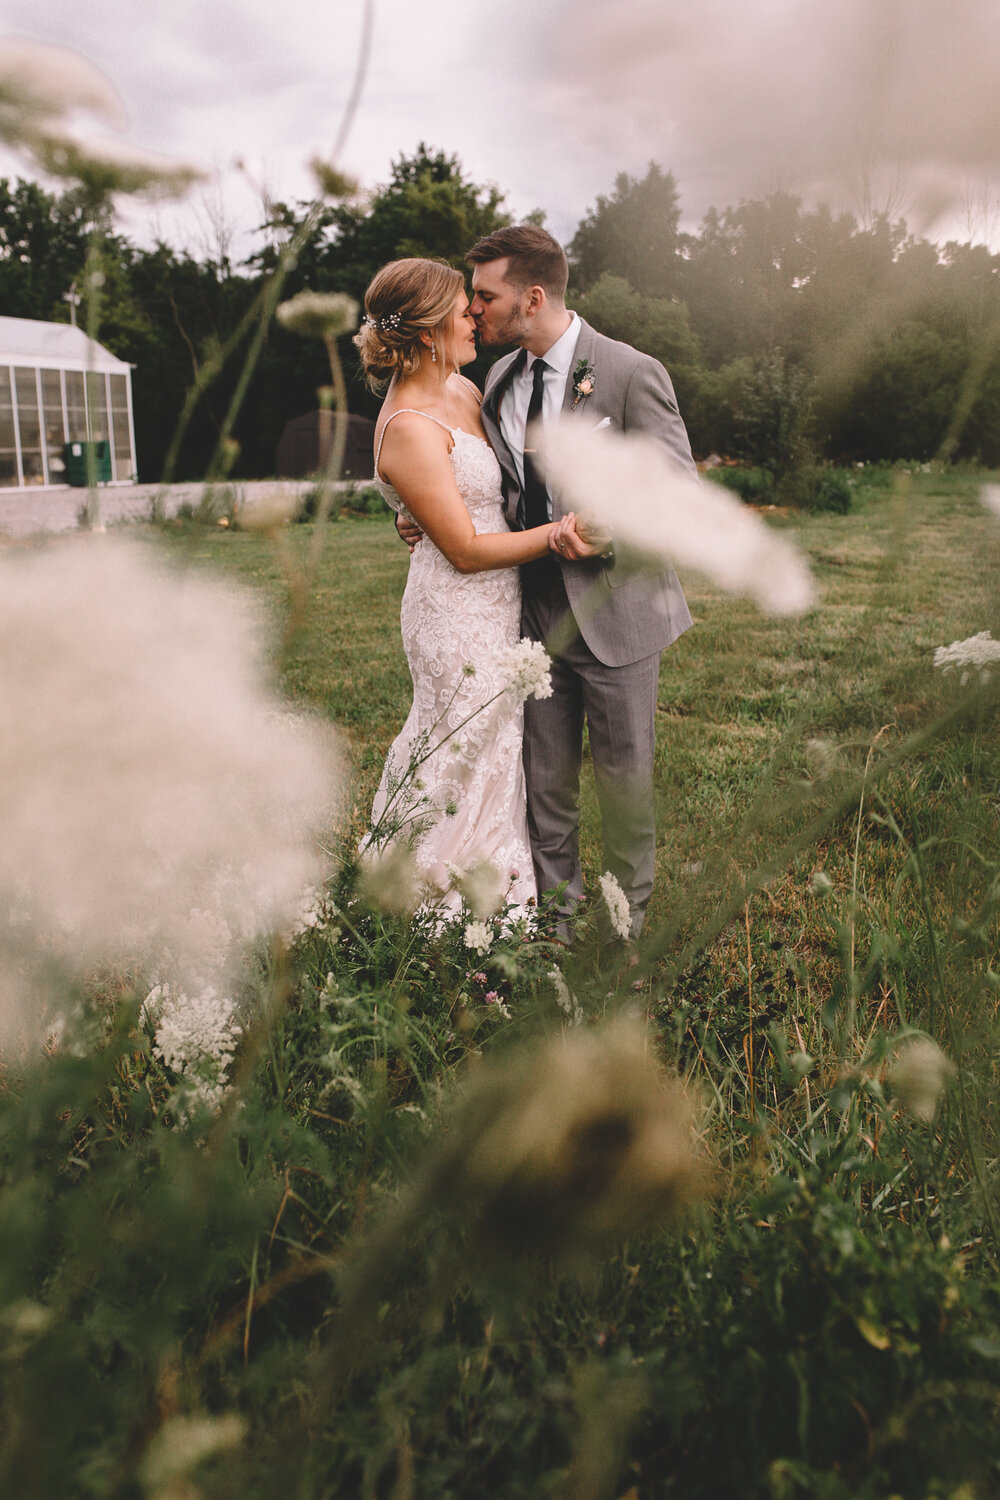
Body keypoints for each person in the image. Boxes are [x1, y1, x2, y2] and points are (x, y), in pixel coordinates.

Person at [401, 225, 697, 943]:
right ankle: (556, 930)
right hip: (529, 623)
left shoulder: (628, 373)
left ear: (532, 298)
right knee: (546, 789)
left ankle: (628, 934)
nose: (473, 310)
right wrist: (422, 516)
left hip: (618, 617)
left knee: (624, 787)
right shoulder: (496, 381)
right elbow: (481, 489)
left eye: (485, 296)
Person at [355, 256, 592, 915]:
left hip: (497, 601)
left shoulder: (465, 391)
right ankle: (426, 898)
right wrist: (554, 535)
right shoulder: (407, 426)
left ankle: (494, 889)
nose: (476, 316)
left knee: (498, 743)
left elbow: (492, 486)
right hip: (453, 609)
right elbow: (460, 546)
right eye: (464, 307)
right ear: (428, 330)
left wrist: (412, 515)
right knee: (459, 739)